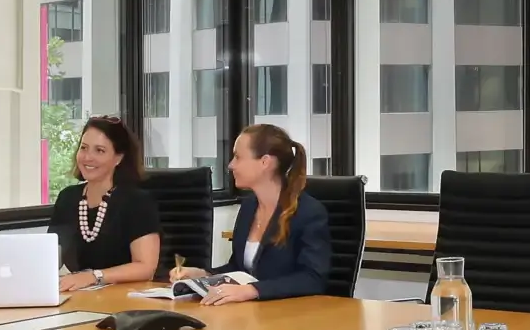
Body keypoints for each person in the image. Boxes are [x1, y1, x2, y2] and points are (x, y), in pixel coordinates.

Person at [173, 124, 330, 303]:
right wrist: (203, 274)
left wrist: (253, 290)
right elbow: (238, 268)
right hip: (252, 312)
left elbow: (312, 279)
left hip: (290, 315)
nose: (231, 165)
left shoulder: (308, 212)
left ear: (265, 162)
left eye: (238, 157)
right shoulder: (248, 207)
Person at [46, 116, 161, 297]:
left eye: (99, 150)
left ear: (118, 158)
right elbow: (52, 259)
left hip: (128, 299)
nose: (87, 157)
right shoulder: (68, 198)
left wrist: (94, 276)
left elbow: (146, 267)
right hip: (80, 298)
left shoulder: (136, 201)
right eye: (83, 148)